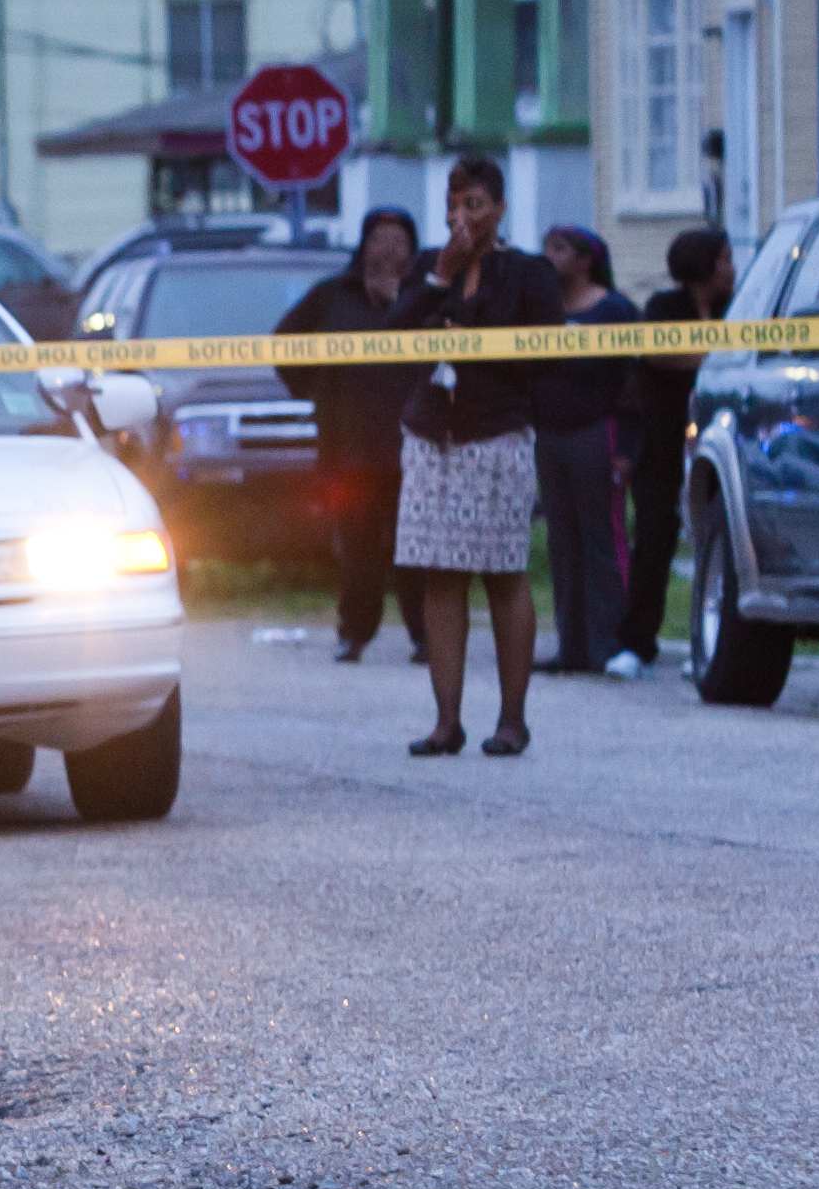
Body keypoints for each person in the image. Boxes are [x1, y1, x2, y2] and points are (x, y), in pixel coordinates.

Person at [399, 152, 564, 758]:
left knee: (502, 573)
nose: (462, 217)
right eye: (452, 206)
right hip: (431, 435)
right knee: (439, 574)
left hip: (495, 436)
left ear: (497, 208)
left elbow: (545, 355)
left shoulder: (526, 273)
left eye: (473, 204)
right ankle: (447, 720)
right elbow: (391, 329)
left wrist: (478, 349)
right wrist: (441, 275)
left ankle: (512, 719)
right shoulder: (432, 267)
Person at [268, 208, 424, 660]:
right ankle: (354, 633)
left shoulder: (423, 297)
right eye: (380, 239)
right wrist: (317, 390)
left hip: (411, 444)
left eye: (399, 240)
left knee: (413, 545)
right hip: (349, 444)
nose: (389, 250)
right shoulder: (332, 295)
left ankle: (425, 635)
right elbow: (285, 343)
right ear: (363, 245)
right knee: (357, 544)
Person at [612, 223, 734, 675]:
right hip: (661, 440)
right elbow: (658, 355)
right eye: (723, 259)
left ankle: (708, 642)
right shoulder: (664, 308)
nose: (731, 268)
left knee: (714, 541)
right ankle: (636, 642)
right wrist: (711, 354)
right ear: (702, 264)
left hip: (718, 443)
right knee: (653, 540)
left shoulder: (736, 309)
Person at [529, 223, 636, 677]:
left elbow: (634, 380)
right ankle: (570, 645)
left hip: (597, 432)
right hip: (549, 435)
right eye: (546, 246)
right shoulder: (542, 310)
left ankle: (610, 642)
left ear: (585, 259)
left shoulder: (613, 311)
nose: (549, 256)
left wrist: (629, 446)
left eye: (559, 248)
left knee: (601, 539)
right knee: (561, 540)